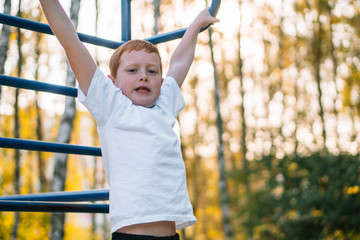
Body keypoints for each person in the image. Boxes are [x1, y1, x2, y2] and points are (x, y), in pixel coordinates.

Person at [39, 1, 219, 239]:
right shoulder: (112, 106)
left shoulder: (164, 105)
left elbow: (179, 62)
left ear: (161, 82)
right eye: (133, 70)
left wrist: (196, 25)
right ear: (112, 82)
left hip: (170, 235)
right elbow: (70, 41)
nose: (144, 76)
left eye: (152, 71)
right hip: (131, 235)